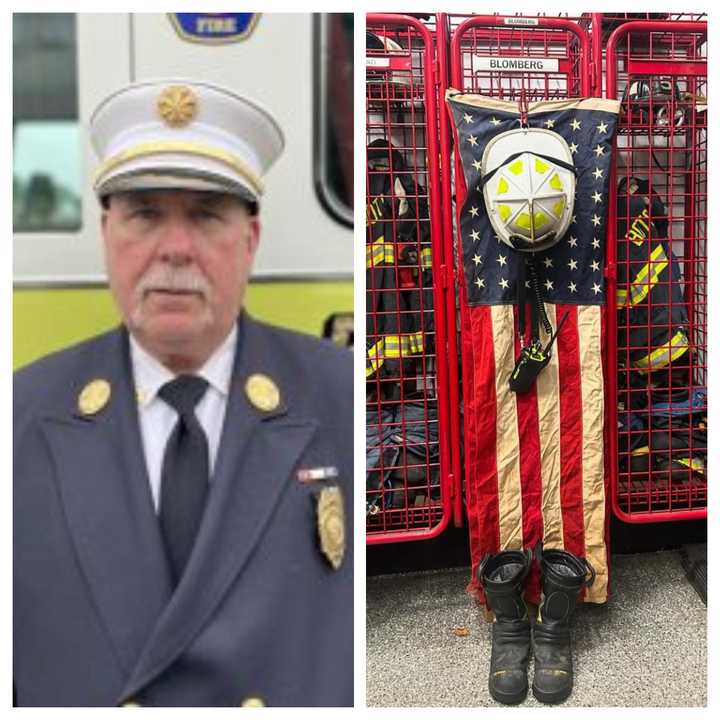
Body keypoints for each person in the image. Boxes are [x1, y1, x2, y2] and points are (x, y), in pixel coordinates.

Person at [13, 80, 353, 707]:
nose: (174, 248)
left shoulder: (340, 397)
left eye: (205, 214)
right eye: (144, 213)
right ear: (107, 234)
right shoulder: (20, 416)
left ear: (248, 240)